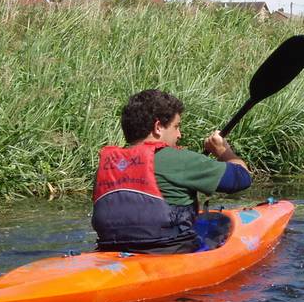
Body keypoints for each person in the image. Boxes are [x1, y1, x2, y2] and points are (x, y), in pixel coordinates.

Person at [92, 89, 252, 254]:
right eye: (176, 127)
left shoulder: (108, 165)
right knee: (218, 227)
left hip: (110, 251)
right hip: (170, 251)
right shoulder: (179, 160)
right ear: (158, 127)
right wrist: (223, 151)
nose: (179, 134)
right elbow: (242, 178)